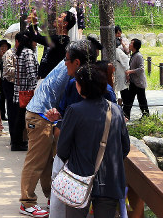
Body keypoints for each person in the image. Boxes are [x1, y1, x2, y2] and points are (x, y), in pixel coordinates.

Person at [51, 65, 130, 218]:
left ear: (82, 87)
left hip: (78, 179)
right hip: (110, 181)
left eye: (77, 82)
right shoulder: (116, 110)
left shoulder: (74, 110)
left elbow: (62, 150)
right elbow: (125, 148)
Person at [18, 53, 71, 218]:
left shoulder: (66, 64)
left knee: (47, 160)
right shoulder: (69, 69)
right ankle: (27, 202)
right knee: (36, 161)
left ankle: (51, 198)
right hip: (40, 115)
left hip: (42, 114)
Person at [12, 31, 39, 157]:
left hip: (20, 90)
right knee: (22, 118)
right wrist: (36, 87)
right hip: (27, 90)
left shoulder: (20, 52)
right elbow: (31, 73)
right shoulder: (27, 52)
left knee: (20, 117)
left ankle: (16, 142)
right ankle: (17, 143)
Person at [38, 12, 72, 79]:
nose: (56, 18)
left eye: (60, 17)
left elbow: (38, 38)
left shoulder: (62, 40)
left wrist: (33, 24)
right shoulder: (54, 38)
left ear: (65, 23)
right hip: (44, 77)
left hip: (52, 79)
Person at [123, 38, 149, 119]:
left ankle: (146, 116)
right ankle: (126, 116)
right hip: (133, 82)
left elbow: (141, 69)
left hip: (139, 83)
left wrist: (130, 72)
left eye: (131, 43)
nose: (129, 45)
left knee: (141, 100)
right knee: (129, 99)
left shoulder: (138, 56)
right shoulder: (133, 54)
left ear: (135, 46)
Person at [113, 26, 130, 109]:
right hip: (121, 71)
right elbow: (126, 60)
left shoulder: (117, 51)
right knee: (123, 90)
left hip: (121, 71)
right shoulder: (117, 51)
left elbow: (126, 57)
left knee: (123, 90)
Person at [0, 39, 11, 121]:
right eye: (2, 47)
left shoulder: (9, 55)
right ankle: (0, 114)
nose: (4, 48)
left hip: (5, 78)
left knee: (4, 96)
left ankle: (4, 114)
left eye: (5, 47)